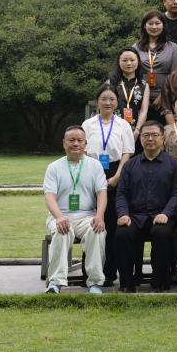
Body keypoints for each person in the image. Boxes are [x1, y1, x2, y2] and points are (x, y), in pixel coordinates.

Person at [115, 120, 177, 292]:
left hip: (162, 216)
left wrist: (166, 213)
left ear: (163, 138)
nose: (150, 139)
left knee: (161, 232)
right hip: (135, 216)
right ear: (140, 139)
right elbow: (121, 194)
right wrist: (123, 214)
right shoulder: (130, 165)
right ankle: (127, 283)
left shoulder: (174, 165)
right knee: (123, 233)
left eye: (155, 135)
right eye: (146, 135)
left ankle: (160, 281)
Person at [43, 125, 108, 294]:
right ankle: (55, 282)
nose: (76, 144)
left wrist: (100, 216)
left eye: (80, 140)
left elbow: (102, 193)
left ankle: (95, 282)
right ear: (64, 143)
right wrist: (59, 217)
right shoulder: (54, 167)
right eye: (71, 140)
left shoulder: (95, 165)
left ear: (85, 144)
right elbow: (49, 197)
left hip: (87, 216)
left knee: (97, 231)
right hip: (60, 215)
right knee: (62, 231)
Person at [83, 86, 135, 286]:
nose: (107, 102)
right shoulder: (88, 124)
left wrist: (116, 177)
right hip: (92, 170)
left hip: (116, 171)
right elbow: (83, 151)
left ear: (117, 102)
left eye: (111, 99)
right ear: (97, 101)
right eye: (103, 99)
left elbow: (127, 153)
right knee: (92, 223)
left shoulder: (123, 124)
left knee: (112, 225)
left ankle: (109, 273)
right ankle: (90, 273)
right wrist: (93, 177)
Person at [135, 11, 177, 122]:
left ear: (163, 25)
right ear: (144, 26)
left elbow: (175, 74)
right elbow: (133, 73)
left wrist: (162, 96)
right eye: (150, 23)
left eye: (157, 23)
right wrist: (144, 97)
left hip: (166, 96)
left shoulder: (172, 47)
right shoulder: (136, 47)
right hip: (140, 96)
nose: (154, 27)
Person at [107, 47, 152, 132]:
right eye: (124, 60)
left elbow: (143, 111)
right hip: (113, 129)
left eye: (132, 60)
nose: (128, 63)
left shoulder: (144, 85)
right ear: (119, 62)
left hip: (135, 129)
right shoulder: (111, 83)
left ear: (138, 61)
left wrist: (137, 131)